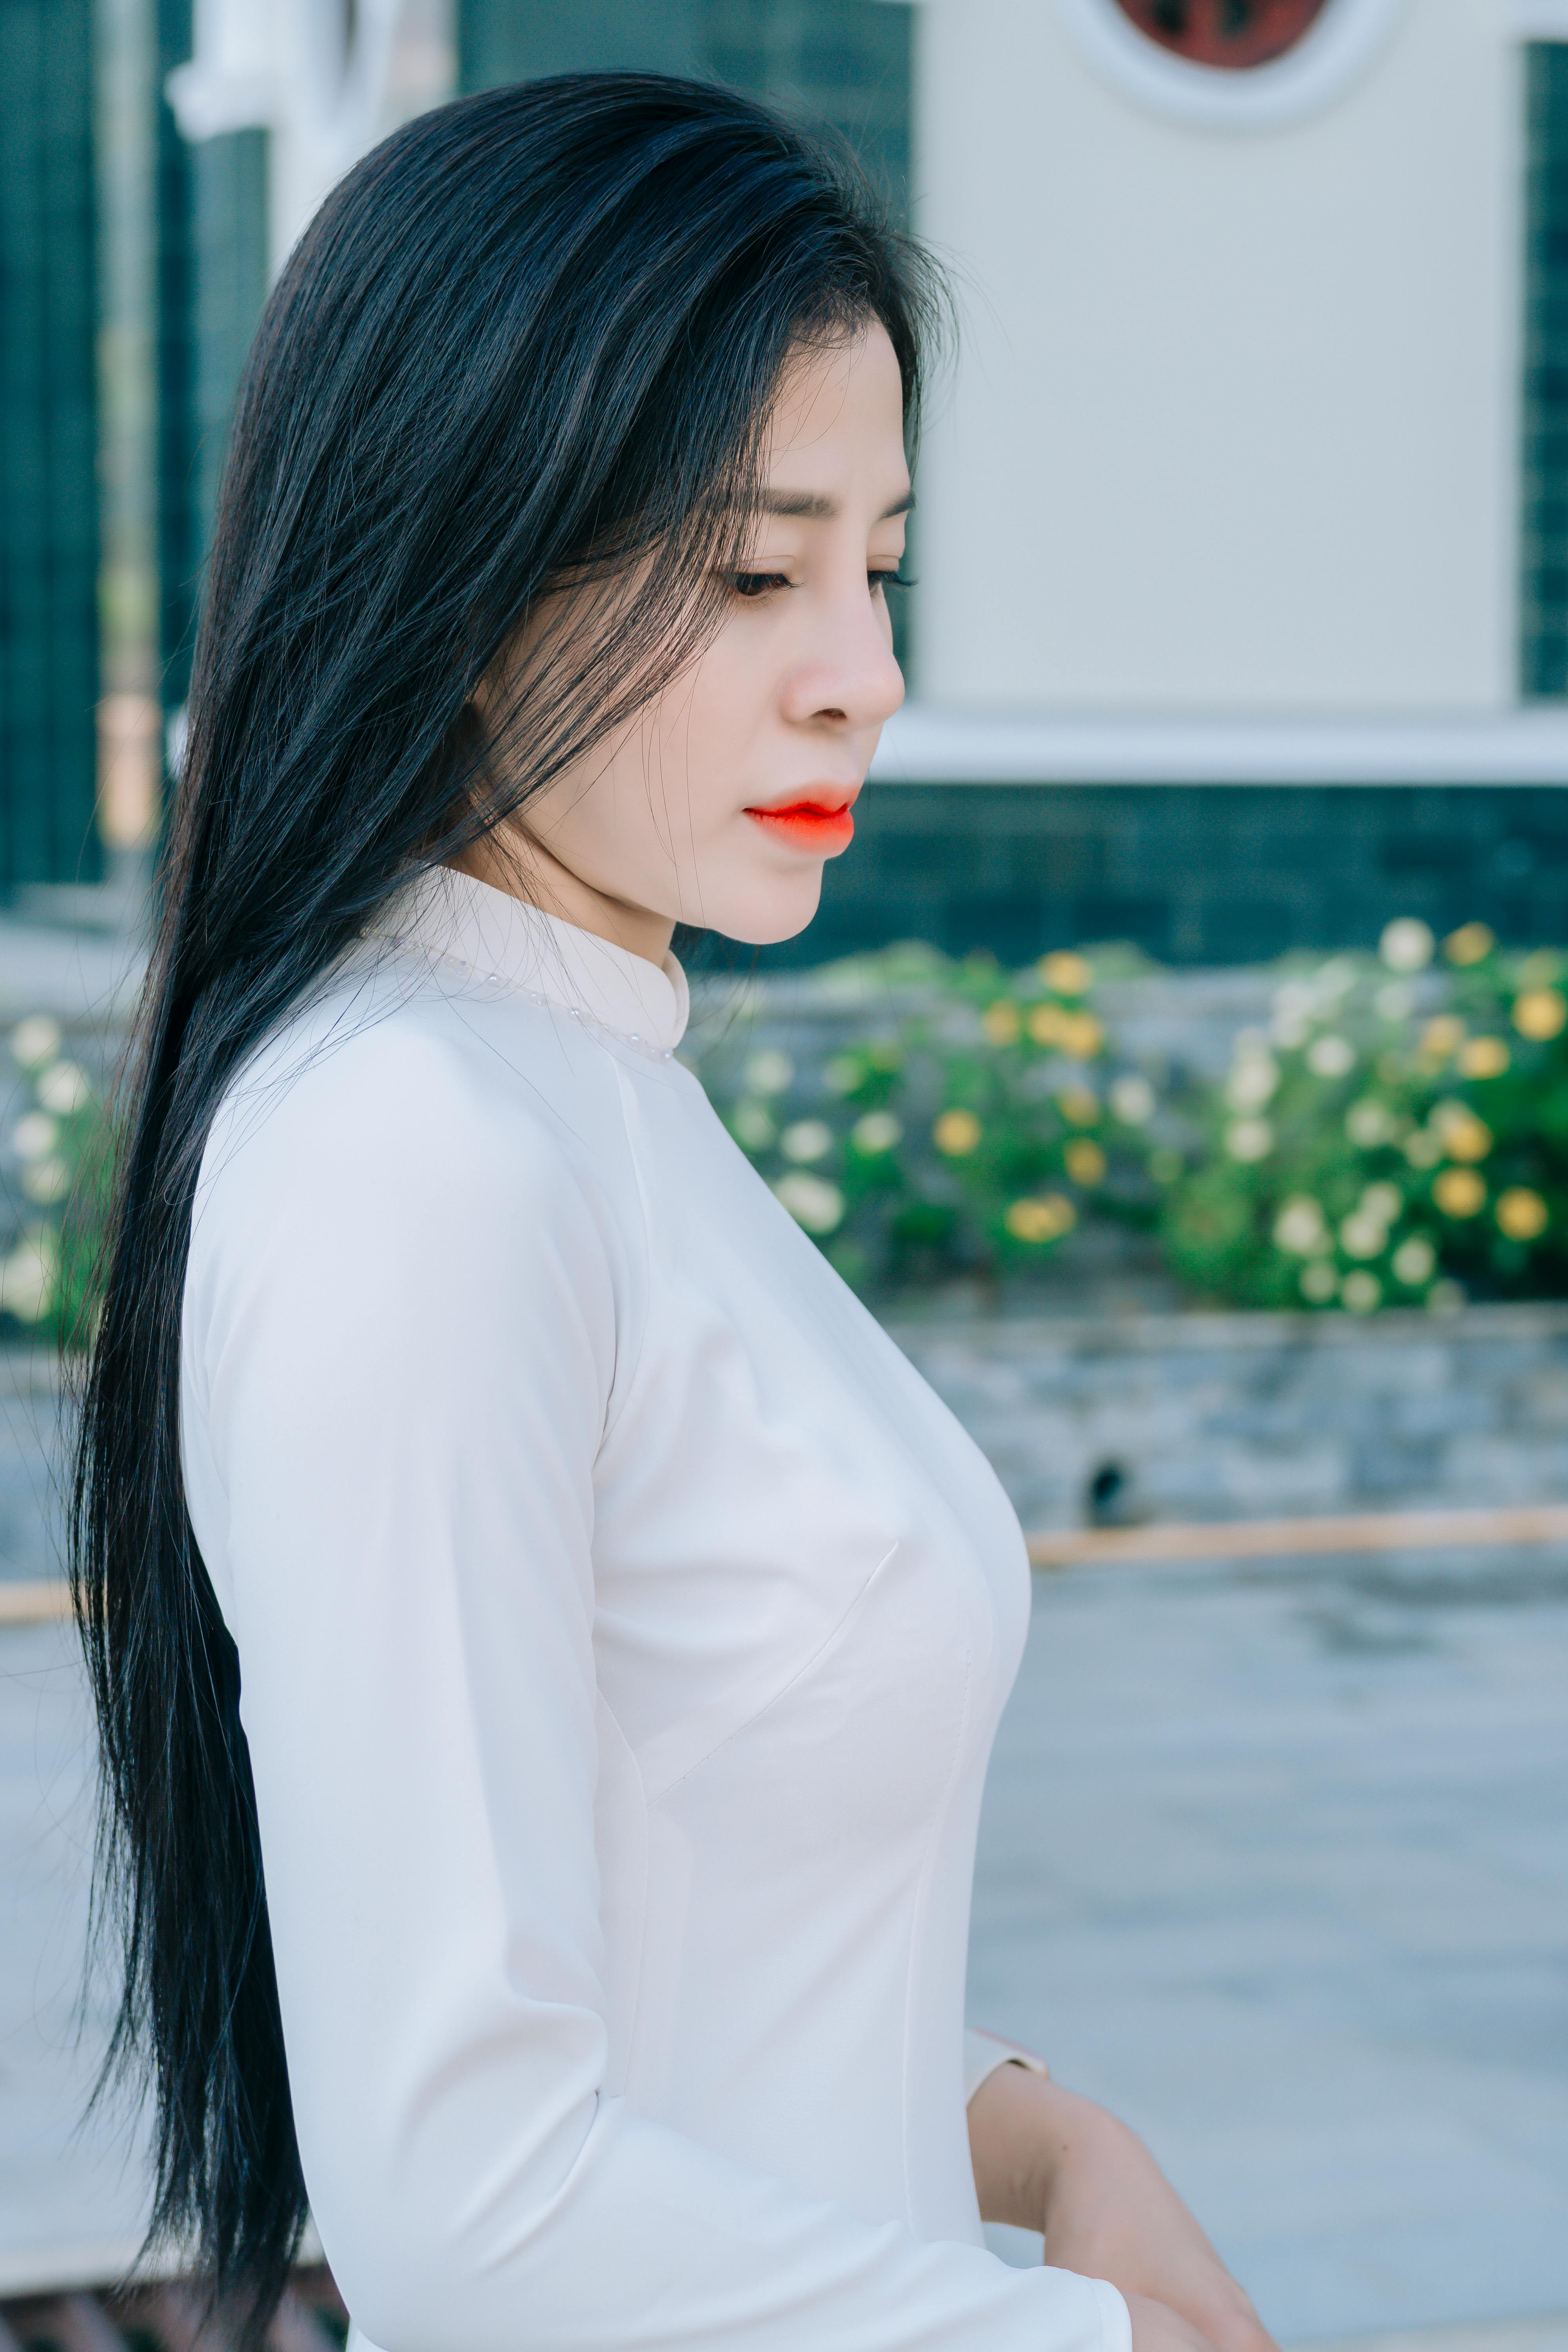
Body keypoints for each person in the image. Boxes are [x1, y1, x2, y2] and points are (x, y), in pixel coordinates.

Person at [73, 73, 1278, 2352]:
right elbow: (472, 2207)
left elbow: (694, 1952)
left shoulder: (585, 1076)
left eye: (878, 561)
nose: (866, 671)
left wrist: (1047, 2144)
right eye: (751, 570)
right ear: (455, 566)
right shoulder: (416, 1148)